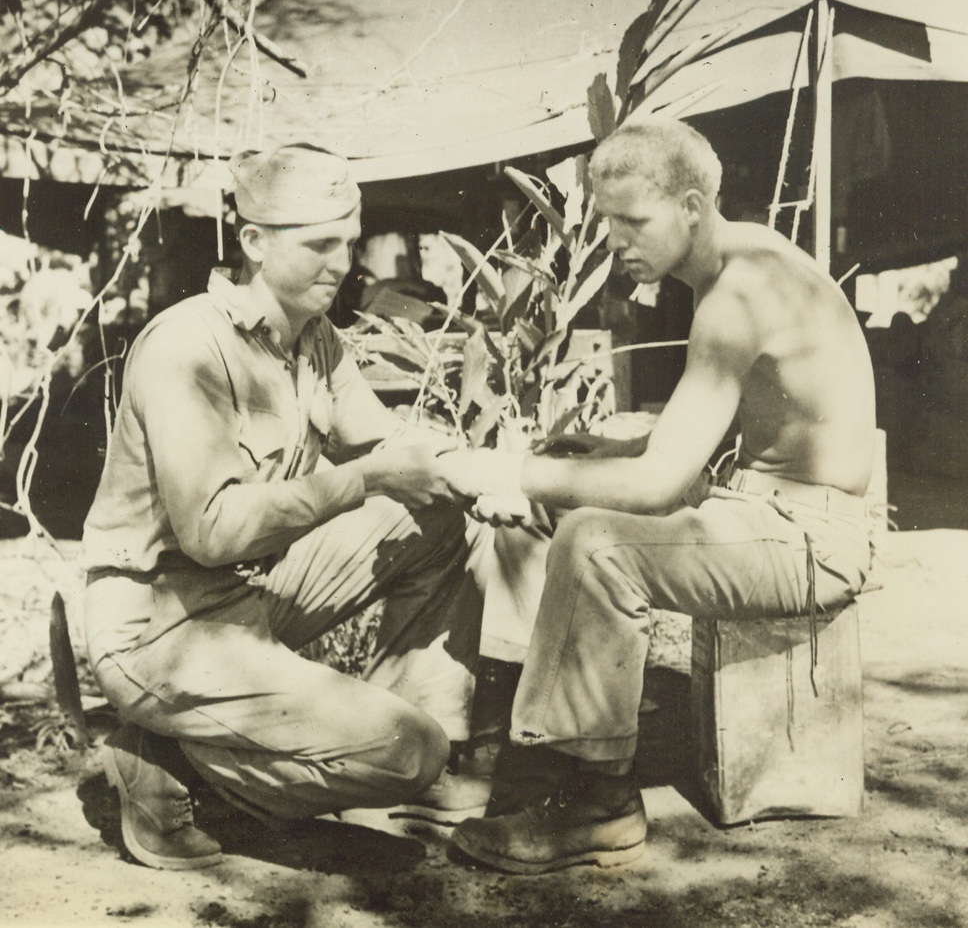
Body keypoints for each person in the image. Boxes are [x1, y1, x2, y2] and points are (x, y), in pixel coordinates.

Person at [438, 117, 878, 875]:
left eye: (634, 221)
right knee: (580, 483)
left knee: (596, 543)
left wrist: (513, 473)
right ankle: (529, 745)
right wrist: (605, 450)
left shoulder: (737, 292)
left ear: (692, 208)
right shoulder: (746, 264)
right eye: (606, 221)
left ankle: (600, 804)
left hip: (812, 541)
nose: (614, 242)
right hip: (768, 511)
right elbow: (718, 438)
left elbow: (657, 486)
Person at [82, 143, 497, 871]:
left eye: (349, 241)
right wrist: (366, 479)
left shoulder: (315, 336)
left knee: (434, 518)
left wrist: (492, 475)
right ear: (253, 242)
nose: (342, 261)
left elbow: (394, 443)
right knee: (409, 751)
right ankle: (167, 768)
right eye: (319, 243)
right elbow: (212, 531)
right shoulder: (188, 348)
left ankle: (386, 734)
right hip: (160, 627)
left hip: (250, 596)